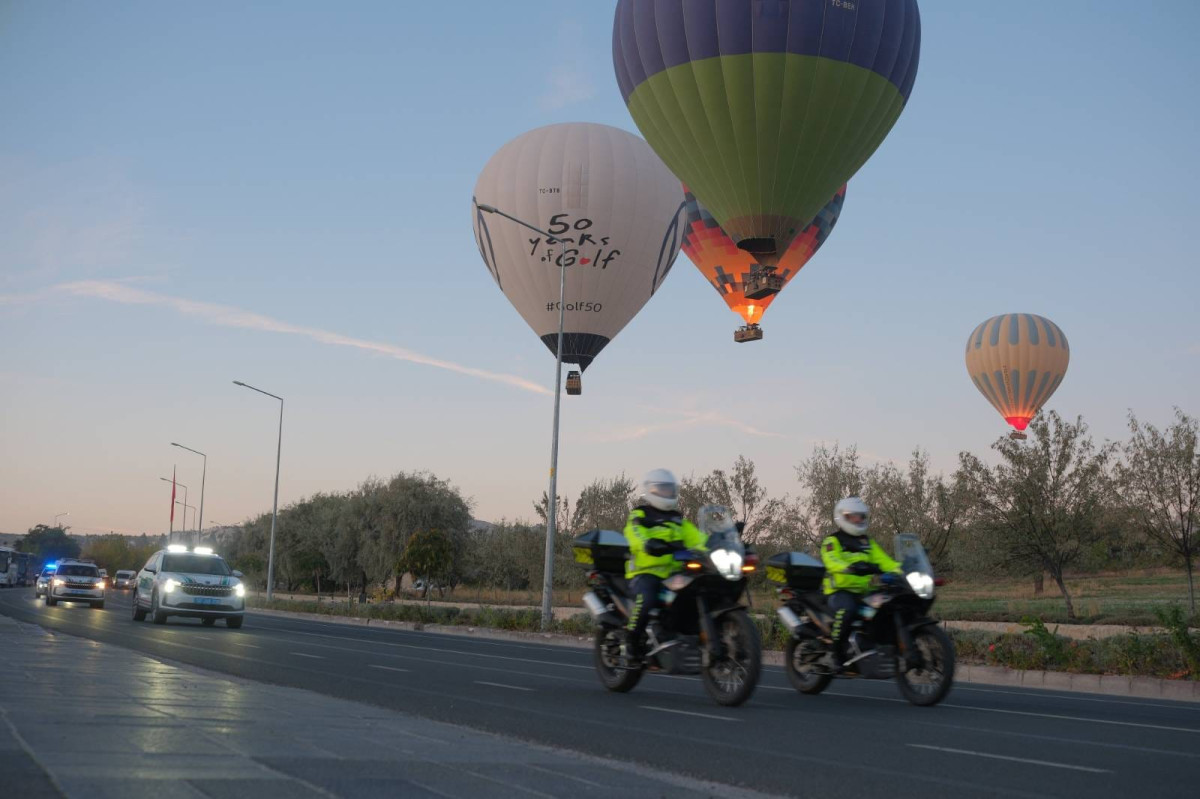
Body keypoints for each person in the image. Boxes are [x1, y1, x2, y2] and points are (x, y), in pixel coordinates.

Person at [620, 468, 707, 662]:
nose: (667, 493)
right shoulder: (640, 514)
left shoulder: (677, 520)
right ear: (651, 490)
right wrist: (647, 543)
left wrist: (717, 542)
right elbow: (634, 533)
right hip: (644, 573)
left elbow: (698, 538)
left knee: (697, 592)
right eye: (662, 489)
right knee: (647, 598)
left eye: (670, 489)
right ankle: (631, 639)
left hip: (673, 574)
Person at [819, 496, 903, 672]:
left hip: (864, 591)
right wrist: (849, 567)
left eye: (861, 516)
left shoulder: (867, 543)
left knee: (889, 604)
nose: (858, 520)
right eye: (853, 516)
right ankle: (835, 654)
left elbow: (885, 561)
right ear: (843, 517)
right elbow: (831, 560)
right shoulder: (832, 541)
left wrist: (904, 571)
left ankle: (873, 647)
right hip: (839, 591)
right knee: (847, 610)